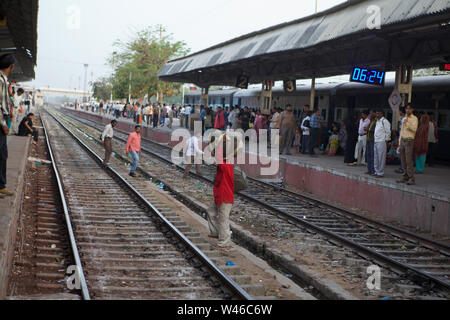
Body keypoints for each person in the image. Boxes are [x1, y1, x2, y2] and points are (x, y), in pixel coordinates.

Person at [208, 133, 235, 250]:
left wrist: (218, 143)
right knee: (211, 211)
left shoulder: (224, 165)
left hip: (224, 196)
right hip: (220, 195)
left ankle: (224, 242)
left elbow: (218, 157)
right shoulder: (227, 163)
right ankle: (215, 233)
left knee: (223, 219)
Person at [0, 54, 15, 198]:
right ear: (11, 66)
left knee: (3, 155)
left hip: (3, 118)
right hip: (0, 121)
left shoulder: (4, 80)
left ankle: (1, 185)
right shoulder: (0, 80)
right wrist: (3, 123)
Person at [397, 104, 418, 185]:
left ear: (412, 110)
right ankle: (405, 175)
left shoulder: (414, 118)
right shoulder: (404, 118)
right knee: (403, 160)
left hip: (409, 140)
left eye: (409, 109)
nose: (407, 110)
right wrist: (399, 142)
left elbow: (414, 129)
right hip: (403, 140)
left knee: (409, 160)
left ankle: (411, 178)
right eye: (406, 109)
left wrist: (407, 124)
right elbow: (401, 131)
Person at [373, 110, 391, 178]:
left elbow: (388, 131)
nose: (377, 115)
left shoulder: (385, 121)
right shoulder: (377, 121)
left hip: (382, 141)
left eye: (378, 113)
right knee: (376, 157)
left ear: (381, 114)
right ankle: (376, 171)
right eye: (376, 113)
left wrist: (386, 140)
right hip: (376, 140)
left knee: (381, 157)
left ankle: (380, 172)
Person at [365, 110, 377, 175]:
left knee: (372, 155)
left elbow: (375, 130)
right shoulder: (371, 121)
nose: (370, 114)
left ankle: (373, 170)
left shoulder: (376, 121)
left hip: (373, 139)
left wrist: (368, 129)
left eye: (371, 113)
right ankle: (369, 169)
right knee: (368, 155)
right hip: (368, 139)